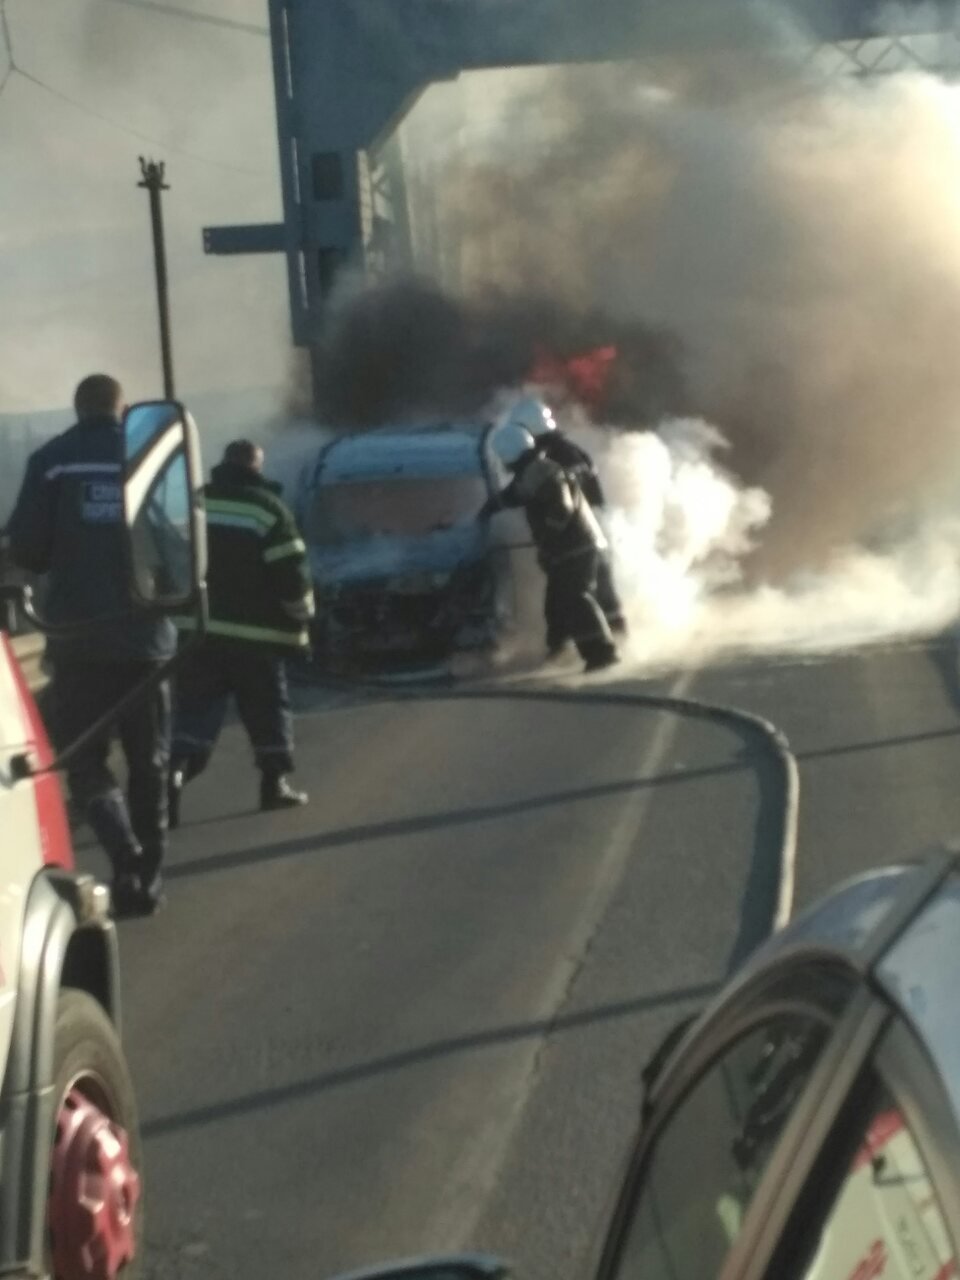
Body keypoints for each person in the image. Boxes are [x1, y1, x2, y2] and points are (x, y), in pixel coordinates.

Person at [7, 373, 174, 916]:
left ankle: (122, 850)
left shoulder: (52, 461)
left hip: (79, 642)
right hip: (147, 640)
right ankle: (147, 875)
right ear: (122, 410)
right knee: (149, 761)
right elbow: (175, 542)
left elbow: (28, 550)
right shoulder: (148, 457)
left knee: (86, 762)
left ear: (79, 409)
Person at [168, 439, 315, 825]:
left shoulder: (195, 502)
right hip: (257, 639)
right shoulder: (268, 510)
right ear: (256, 466)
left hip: (198, 634)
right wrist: (302, 616)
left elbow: (169, 557)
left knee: (194, 714)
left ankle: (174, 780)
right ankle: (274, 786)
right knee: (267, 711)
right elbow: (291, 575)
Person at [482, 422, 619, 674]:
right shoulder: (532, 472)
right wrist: (487, 511)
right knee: (555, 603)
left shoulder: (544, 472)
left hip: (575, 549)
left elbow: (562, 509)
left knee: (577, 598)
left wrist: (547, 537)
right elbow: (511, 496)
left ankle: (602, 652)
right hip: (567, 550)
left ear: (508, 455)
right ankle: (559, 652)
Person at [506, 397, 627, 646]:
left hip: (580, 532)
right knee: (587, 592)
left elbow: (551, 497)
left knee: (582, 592)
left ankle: (608, 645)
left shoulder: (554, 459)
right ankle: (597, 642)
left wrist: (548, 533)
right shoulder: (565, 451)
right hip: (591, 527)